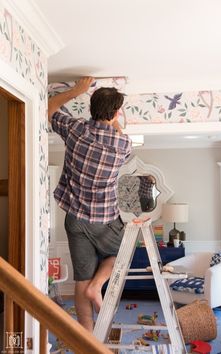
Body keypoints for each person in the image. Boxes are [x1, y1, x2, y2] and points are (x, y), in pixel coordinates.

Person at [48, 77, 132, 332]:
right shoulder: (123, 144)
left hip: (75, 219)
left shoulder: (75, 130)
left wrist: (77, 90)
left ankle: (86, 336)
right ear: (116, 112)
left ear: (91, 108)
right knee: (123, 254)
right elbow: (117, 131)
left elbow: (49, 108)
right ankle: (99, 286)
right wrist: (114, 118)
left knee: (81, 279)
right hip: (105, 221)